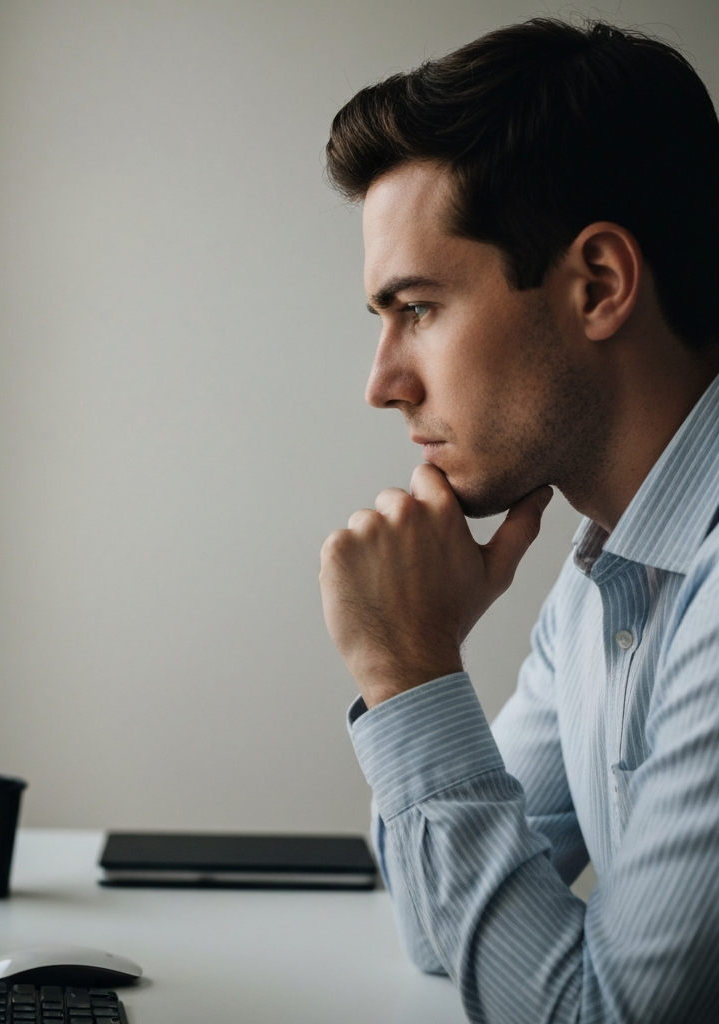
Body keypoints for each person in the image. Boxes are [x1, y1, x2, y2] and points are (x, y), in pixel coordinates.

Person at [318, 18, 719, 1023]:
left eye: (416, 309)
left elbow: (599, 1016)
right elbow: (437, 929)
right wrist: (414, 676)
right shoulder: (605, 571)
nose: (381, 384)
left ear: (597, 285)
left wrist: (408, 671)